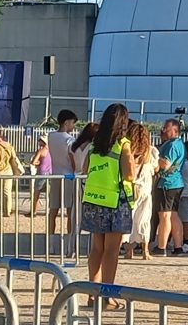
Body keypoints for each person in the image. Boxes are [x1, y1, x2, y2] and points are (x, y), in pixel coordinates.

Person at [82, 103, 135, 310]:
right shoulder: (123, 144)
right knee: (112, 250)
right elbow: (129, 173)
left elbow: (85, 167)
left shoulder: (95, 143)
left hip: (94, 199)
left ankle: (92, 293)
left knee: (97, 248)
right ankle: (107, 295)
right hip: (114, 201)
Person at [126, 122, 159, 260]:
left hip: (130, 188)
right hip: (145, 189)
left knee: (130, 219)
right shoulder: (150, 151)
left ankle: (128, 250)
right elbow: (156, 168)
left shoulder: (128, 151)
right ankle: (145, 251)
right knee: (144, 218)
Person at [153, 118, 186, 256]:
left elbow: (165, 164)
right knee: (173, 215)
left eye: (166, 127)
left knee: (164, 215)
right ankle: (178, 246)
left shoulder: (172, 145)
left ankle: (161, 247)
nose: (164, 130)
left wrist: (153, 155)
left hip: (167, 183)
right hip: (176, 183)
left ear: (175, 129)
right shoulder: (180, 144)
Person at [48, 109, 78, 235]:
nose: (73, 126)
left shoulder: (51, 136)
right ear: (66, 122)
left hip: (55, 174)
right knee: (70, 211)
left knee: (53, 209)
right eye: (72, 123)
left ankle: (50, 238)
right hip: (68, 176)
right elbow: (72, 160)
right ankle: (69, 238)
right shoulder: (70, 140)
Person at [28, 136, 51, 217]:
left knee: (36, 193)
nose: (38, 142)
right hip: (50, 174)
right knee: (49, 194)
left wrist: (37, 162)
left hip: (41, 173)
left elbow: (33, 162)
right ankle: (49, 211)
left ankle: (34, 211)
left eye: (39, 140)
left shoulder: (40, 151)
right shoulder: (51, 151)